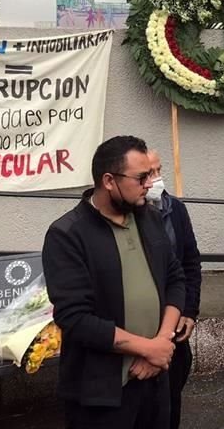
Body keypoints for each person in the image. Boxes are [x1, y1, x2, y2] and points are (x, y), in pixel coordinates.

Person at [42, 136, 186, 429]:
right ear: (109, 180)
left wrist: (160, 344)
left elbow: (175, 279)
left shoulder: (149, 218)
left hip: (155, 379)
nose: (150, 183)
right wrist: (146, 348)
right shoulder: (67, 235)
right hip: (101, 394)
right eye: (141, 177)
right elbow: (75, 319)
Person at [145, 150, 202, 429]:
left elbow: (190, 262)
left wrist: (190, 311)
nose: (156, 179)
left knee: (170, 402)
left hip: (174, 324)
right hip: (139, 330)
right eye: (149, 173)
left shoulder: (175, 209)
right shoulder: (122, 216)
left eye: (159, 170)